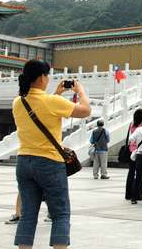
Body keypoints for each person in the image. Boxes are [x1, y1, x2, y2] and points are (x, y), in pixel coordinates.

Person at [13, 59, 91, 248]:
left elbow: (42, 110)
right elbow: (86, 110)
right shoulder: (52, 101)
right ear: (41, 77)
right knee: (60, 214)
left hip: (23, 162)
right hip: (49, 163)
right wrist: (80, 91)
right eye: (47, 75)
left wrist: (57, 93)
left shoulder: (18, 102)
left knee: (28, 216)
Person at [125, 109, 142, 200]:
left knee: (131, 173)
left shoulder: (131, 124)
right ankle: (138, 194)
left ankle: (128, 194)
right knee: (140, 174)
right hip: (139, 151)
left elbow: (129, 138)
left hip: (131, 151)